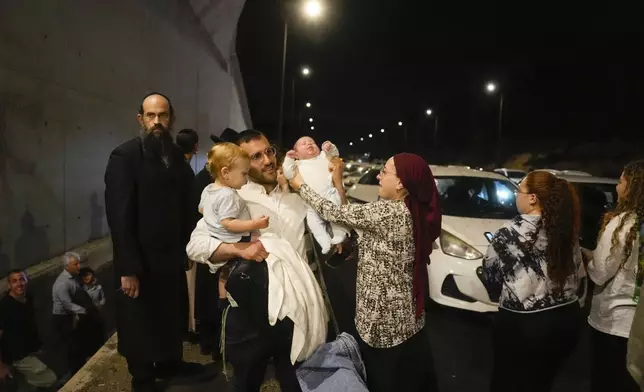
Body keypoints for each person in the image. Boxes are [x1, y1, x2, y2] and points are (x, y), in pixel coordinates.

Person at [188, 129, 341, 392]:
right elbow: (196, 246)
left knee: (299, 384)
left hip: (296, 312)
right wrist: (240, 249)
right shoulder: (231, 198)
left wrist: (335, 181)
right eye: (256, 156)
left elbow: (337, 220)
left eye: (269, 151)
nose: (268, 160)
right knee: (246, 384)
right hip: (248, 311)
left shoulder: (299, 196)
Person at [289, 152, 441, 392]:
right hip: (405, 317)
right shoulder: (407, 209)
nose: (379, 176)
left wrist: (301, 185)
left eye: (385, 172)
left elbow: (332, 213)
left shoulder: (390, 213)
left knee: (385, 379)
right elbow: (361, 224)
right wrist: (339, 187)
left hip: (384, 322)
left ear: (401, 182)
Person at [104, 92, 210, 392]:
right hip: (139, 261)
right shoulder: (124, 156)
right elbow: (119, 216)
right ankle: (143, 379)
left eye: (162, 115)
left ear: (171, 119)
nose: (157, 122)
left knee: (169, 314)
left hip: (170, 258)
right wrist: (127, 268)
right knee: (139, 322)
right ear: (141, 119)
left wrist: (189, 247)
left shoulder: (175, 155)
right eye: (151, 116)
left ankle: (169, 364)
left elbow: (187, 204)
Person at [482, 171, 585, 392]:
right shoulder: (566, 230)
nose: (516, 195)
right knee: (542, 382)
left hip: (524, 324)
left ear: (532, 198)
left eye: (519, 189)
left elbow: (491, 275)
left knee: (508, 381)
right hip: (567, 318)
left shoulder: (507, 234)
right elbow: (578, 272)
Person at [584, 161, 644, 392]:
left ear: (633, 188)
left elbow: (600, 273)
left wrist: (588, 257)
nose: (617, 187)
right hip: (638, 325)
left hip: (613, 322)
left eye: (621, 182)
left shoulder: (623, 223)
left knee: (607, 381)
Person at [198, 142, 269, 308]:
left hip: (213, 235)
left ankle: (223, 299)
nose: (246, 179)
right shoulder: (227, 195)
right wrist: (255, 223)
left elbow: (201, 208)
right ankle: (230, 299)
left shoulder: (208, 189)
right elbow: (229, 224)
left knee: (225, 271)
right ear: (225, 173)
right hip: (229, 237)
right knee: (236, 266)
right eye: (244, 174)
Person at [283, 137, 349, 254]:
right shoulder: (297, 164)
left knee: (337, 218)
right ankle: (324, 242)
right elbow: (287, 173)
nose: (309, 144)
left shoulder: (323, 156)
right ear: (296, 154)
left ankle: (339, 235)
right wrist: (288, 158)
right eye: (304, 144)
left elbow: (334, 155)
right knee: (313, 223)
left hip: (330, 195)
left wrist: (329, 146)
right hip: (311, 204)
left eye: (312, 142)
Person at [0, 270, 57, 390]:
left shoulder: (28, 297)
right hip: (17, 356)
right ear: (9, 285)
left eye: (22, 279)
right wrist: (1, 367)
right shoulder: (5, 306)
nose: (19, 283)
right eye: (14, 281)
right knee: (50, 379)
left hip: (29, 350)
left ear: (27, 281)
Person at [51, 252, 87, 375]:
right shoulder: (62, 283)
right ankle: (74, 371)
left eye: (79, 263)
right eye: (75, 264)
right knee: (71, 344)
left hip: (69, 315)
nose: (79, 266)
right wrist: (83, 310)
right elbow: (67, 304)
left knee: (75, 342)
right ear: (67, 266)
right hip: (62, 317)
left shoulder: (71, 278)